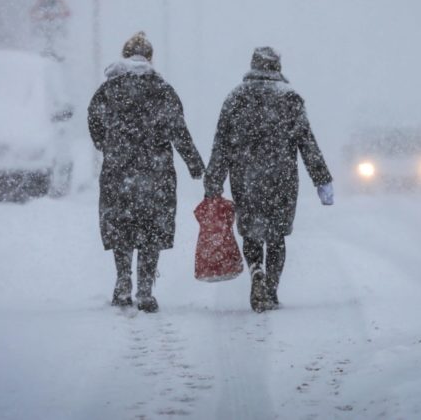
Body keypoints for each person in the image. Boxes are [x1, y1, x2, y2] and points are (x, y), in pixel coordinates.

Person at [204, 46, 334, 312]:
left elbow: (222, 144)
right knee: (276, 236)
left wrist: (214, 181)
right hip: (281, 177)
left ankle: (256, 270)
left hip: (245, 177)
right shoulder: (289, 98)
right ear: (277, 67)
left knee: (251, 232)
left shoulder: (235, 98)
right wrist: (322, 179)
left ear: (253, 65)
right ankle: (271, 289)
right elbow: (306, 142)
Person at [88, 31, 204, 312]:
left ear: (124, 56)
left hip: (119, 170)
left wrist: (107, 145)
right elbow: (178, 129)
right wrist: (194, 164)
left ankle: (123, 280)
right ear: (150, 58)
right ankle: (145, 287)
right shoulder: (162, 89)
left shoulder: (108, 88)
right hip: (156, 171)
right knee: (151, 229)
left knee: (122, 226)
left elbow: (94, 120)